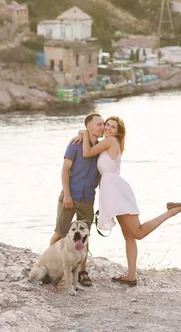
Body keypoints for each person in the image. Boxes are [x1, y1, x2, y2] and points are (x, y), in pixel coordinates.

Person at [81, 115, 181, 286]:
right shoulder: (108, 143)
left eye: (112, 127)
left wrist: (83, 134)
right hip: (113, 190)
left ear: (118, 133)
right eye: (106, 125)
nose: (107, 129)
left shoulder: (110, 141)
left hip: (116, 191)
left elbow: (87, 152)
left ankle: (173, 211)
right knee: (129, 236)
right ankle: (131, 276)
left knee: (137, 233)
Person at [50, 112, 104, 287]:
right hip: (70, 196)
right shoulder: (75, 145)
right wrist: (66, 195)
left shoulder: (101, 149)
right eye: (99, 124)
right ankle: (50, 265)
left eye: (103, 124)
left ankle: (82, 271)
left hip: (88, 199)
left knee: (85, 237)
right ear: (89, 127)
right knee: (60, 233)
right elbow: (65, 170)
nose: (102, 127)